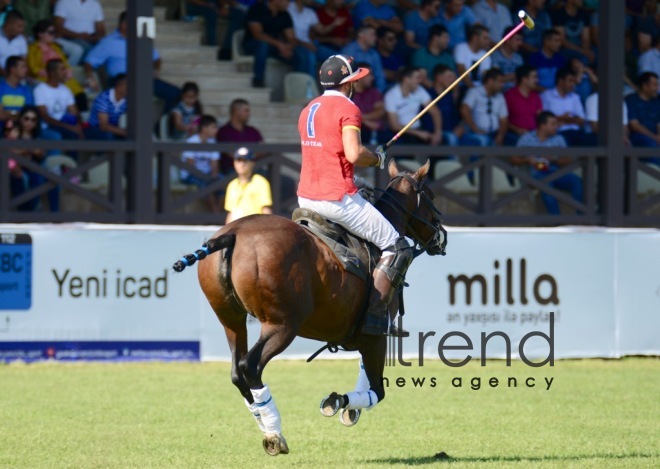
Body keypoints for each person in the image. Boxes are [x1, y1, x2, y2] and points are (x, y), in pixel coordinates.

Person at [297, 54, 412, 337]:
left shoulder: (309, 108)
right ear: (348, 84)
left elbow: (329, 156)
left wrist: (356, 176)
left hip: (306, 198)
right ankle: (374, 319)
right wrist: (377, 160)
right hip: (335, 199)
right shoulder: (348, 108)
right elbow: (353, 153)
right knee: (398, 246)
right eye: (355, 80)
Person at [83, 11, 180, 114]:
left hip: (142, 78)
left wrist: (156, 69)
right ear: (124, 24)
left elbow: (156, 59)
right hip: (121, 80)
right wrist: (90, 76)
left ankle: (157, 127)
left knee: (176, 94)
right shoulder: (109, 42)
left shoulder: (141, 40)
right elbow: (89, 61)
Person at [515, 111, 583, 215]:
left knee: (577, 181)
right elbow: (513, 158)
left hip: (556, 171)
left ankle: (581, 217)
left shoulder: (559, 139)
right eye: (553, 124)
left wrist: (554, 159)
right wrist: (528, 160)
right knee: (547, 187)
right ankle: (557, 223)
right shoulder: (526, 138)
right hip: (537, 173)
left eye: (556, 124)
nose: (556, 126)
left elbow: (567, 160)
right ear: (542, 125)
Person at [243, 0, 309, 88]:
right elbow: (258, 34)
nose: (289, 4)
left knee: (301, 55)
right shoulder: (257, 9)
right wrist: (280, 45)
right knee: (263, 46)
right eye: (287, 1)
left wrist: (288, 47)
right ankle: (258, 80)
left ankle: (297, 87)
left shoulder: (285, 14)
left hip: (275, 47)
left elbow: (291, 38)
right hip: (253, 45)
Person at [27, 19, 87, 111]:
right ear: (40, 34)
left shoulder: (55, 47)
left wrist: (68, 69)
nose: (53, 35)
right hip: (46, 77)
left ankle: (82, 117)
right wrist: (43, 72)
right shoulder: (33, 48)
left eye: (54, 32)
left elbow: (64, 62)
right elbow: (33, 66)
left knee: (79, 93)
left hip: (62, 76)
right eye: (50, 32)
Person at [384, 66, 442, 145]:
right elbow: (394, 126)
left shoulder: (420, 90)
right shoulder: (391, 95)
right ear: (406, 79)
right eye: (417, 78)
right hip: (400, 134)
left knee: (442, 143)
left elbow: (435, 112)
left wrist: (437, 133)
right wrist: (418, 133)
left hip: (418, 130)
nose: (420, 81)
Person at [540, 67, 594, 146]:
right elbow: (543, 119)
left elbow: (582, 121)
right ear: (560, 81)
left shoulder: (575, 97)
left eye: (573, 81)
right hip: (557, 134)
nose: (573, 84)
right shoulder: (546, 96)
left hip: (576, 133)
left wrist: (564, 119)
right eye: (570, 81)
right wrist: (564, 118)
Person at [180, 114, 223, 213]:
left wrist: (214, 177)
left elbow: (214, 165)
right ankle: (216, 216)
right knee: (207, 186)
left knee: (222, 182)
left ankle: (216, 215)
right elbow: (190, 165)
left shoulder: (212, 142)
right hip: (191, 175)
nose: (216, 130)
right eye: (213, 127)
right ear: (204, 128)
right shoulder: (191, 141)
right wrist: (208, 179)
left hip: (207, 175)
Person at [34, 58, 84, 141]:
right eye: (62, 69)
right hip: (49, 126)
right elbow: (45, 117)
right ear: (52, 73)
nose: (65, 72)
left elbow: (75, 112)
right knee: (71, 134)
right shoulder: (40, 90)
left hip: (66, 123)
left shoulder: (66, 89)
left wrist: (78, 125)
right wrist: (69, 127)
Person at [460, 67, 508, 146]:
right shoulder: (474, 92)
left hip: (494, 134)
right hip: (475, 133)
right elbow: (464, 110)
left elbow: (504, 120)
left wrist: (500, 135)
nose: (502, 85)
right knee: (484, 141)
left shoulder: (500, 97)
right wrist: (475, 129)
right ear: (490, 81)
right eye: (500, 82)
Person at [224, 146, 273, 223]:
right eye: (238, 160)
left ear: (252, 163)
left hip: (255, 227)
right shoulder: (232, 185)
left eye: (245, 160)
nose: (241, 164)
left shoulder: (261, 182)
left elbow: (266, 209)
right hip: (236, 228)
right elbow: (230, 213)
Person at [216, 98, 264, 173]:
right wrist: (253, 154)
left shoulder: (253, 131)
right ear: (236, 111)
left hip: (255, 169)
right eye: (246, 110)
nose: (248, 114)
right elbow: (231, 153)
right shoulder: (223, 132)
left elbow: (262, 149)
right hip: (232, 171)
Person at [53, 0, 105, 66]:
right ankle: (81, 73)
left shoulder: (95, 4)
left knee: (106, 49)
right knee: (88, 49)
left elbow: (100, 28)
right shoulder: (64, 2)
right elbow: (58, 27)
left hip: (90, 38)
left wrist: (95, 38)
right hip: (69, 38)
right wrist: (79, 36)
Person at [504, 65, 543, 146]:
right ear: (524, 79)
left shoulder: (536, 96)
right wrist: (517, 129)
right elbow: (502, 120)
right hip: (514, 134)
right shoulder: (509, 95)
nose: (537, 80)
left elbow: (541, 117)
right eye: (534, 77)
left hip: (533, 134)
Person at [341, 24, 386, 92]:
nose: (375, 38)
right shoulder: (349, 51)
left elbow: (379, 76)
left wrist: (378, 93)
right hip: (352, 91)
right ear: (361, 34)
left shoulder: (374, 54)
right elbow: (344, 75)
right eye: (372, 34)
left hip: (369, 91)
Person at [412, 24, 456, 89]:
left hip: (446, 93)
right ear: (435, 38)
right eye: (445, 37)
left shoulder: (448, 57)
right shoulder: (421, 54)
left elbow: (453, 79)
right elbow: (423, 79)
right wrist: (438, 91)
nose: (448, 41)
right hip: (427, 92)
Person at [351, 62, 385, 144]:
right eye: (370, 75)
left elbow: (380, 112)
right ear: (360, 76)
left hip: (375, 133)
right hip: (354, 132)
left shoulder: (374, 92)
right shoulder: (348, 93)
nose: (372, 78)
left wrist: (361, 119)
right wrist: (366, 122)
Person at [86, 73, 127, 140]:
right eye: (128, 85)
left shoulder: (127, 99)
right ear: (119, 86)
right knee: (109, 136)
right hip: (94, 130)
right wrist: (125, 132)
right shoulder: (103, 98)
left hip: (114, 129)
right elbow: (103, 126)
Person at [625, 72, 660, 150]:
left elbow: (658, 123)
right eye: (654, 85)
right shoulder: (632, 100)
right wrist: (653, 137)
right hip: (638, 135)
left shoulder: (656, 102)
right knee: (651, 144)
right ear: (645, 86)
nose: (657, 88)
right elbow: (634, 125)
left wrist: (658, 136)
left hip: (655, 136)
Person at [453, 24, 492, 89]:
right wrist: (472, 89)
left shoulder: (485, 54)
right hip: (461, 87)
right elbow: (461, 70)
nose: (488, 41)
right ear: (475, 38)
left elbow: (485, 75)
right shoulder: (461, 48)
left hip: (478, 89)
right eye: (485, 38)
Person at [0, 55, 33, 126]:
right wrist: (17, 114)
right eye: (23, 67)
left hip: (19, 127)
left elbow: (27, 115)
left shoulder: (26, 89)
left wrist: (8, 112)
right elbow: (0, 115)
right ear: (12, 69)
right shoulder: (1, 88)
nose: (26, 70)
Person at [490, 25, 524, 92]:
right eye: (517, 39)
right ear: (507, 39)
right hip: (499, 93)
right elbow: (495, 79)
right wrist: (515, 75)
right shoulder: (495, 56)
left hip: (515, 94)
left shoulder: (519, 58)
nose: (520, 43)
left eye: (521, 40)